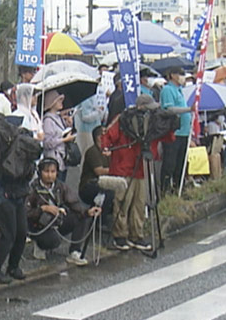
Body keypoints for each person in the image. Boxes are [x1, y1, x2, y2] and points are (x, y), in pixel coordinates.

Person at [99, 94, 172, 252]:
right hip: (123, 166)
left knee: (140, 203)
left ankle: (136, 235)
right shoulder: (124, 119)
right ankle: (120, 235)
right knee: (123, 202)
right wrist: (105, 147)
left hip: (142, 167)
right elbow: (108, 137)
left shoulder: (152, 121)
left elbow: (166, 137)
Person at [0, 83, 41, 285]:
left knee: (21, 233)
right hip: (2, 196)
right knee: (8, 234)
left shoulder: (21, 152)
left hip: (18, 194)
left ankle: (13, 266)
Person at [26, 158, 101, 266]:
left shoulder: (60, 186)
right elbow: (26, 213)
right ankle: (40, 245)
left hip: (57, 220)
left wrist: (87, 211)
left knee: (83, 217)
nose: (49, 175)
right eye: (46, 172)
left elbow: (74, 203)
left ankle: (75, 252)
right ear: (39, 172)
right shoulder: (33, 188)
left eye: (53, 172)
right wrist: (43, 209)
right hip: (38, 226)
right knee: (54, 240)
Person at [158, 67, 194, 192]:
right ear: (172, 75)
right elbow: (169, 109)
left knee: (181, 163)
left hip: (184, 132)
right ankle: (165, 189)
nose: (183, 77)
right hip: (173, 133)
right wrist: (188, 110)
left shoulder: (180, 90)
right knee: (170, 163)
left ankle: (179, 188)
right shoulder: (168, 90)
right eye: (181, 74)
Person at [40, 89, 75, 174]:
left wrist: (68, 125)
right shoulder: (48, 120)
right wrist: (63, 140)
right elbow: (47, 142)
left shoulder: (58, 117)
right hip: (54, 159)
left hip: (62, 158)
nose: (61, 102)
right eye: (58, 101)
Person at [78, 125, 111, 210]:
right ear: (99, 137)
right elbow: (99, 171)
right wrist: (116, 170)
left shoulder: (108, 151)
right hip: (89, 186)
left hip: (103, 183)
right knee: (109, 194)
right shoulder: (92, 151)